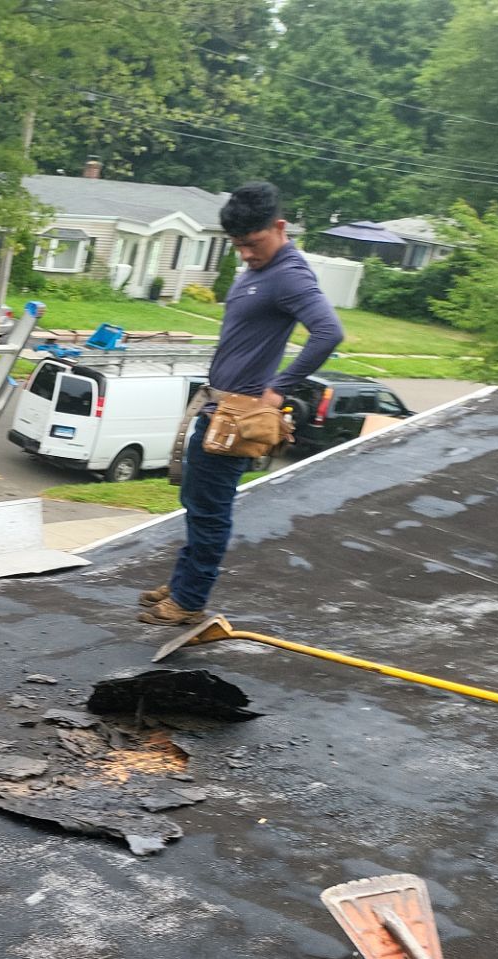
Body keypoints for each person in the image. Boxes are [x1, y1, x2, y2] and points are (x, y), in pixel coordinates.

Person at [142, 181, 344, 626]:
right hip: (216, 407)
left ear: (279, 227)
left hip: (241, 416)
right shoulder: (256, 271)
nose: (247, 254)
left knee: (212, 509)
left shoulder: (289, 273)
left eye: (253, 244)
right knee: (197, 500)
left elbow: (329, 332)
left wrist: (278, 390)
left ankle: (190, 600)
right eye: (238, 247)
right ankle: (183, 582)